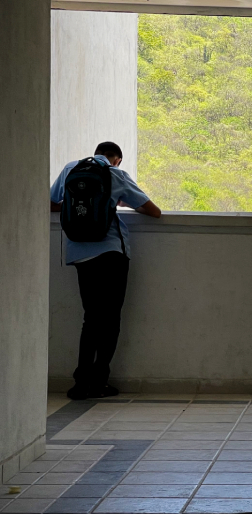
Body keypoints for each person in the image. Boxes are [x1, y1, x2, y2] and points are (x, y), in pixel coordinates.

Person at [50, 142, 162, 400]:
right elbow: (153, 211)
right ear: (117, 159)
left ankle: (80, 384)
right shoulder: (116, 174)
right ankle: (99, 381)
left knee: (91, 318)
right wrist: (116, 203)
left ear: (96, 152)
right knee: (110, 319)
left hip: (79, 252)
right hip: (111, 254)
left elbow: (52, 202)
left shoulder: (71, 168)